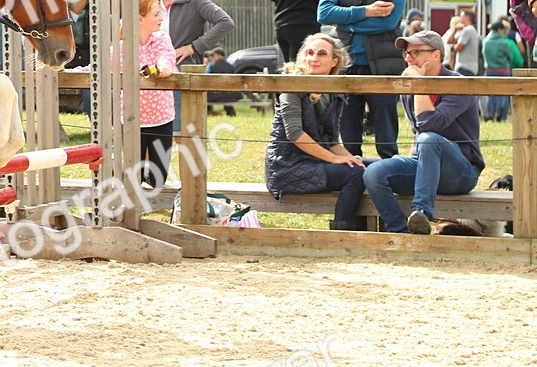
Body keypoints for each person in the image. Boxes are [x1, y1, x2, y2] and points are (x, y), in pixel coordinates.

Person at [363, 30, 483, 234]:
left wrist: (418, 84)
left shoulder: (459, 84)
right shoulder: (409, 90)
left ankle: (421, 212)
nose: (409, 58)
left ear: (436, 55)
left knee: (430, 139)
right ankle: (400, 231)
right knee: (373, 172)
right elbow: (417, 132)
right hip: (425, 164)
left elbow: (429, 126)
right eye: (407, 53)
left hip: (462, 173)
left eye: (416, 52)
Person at [317, 0, 408, 159]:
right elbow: (323, 14)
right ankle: (351, 187)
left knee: (387, 141)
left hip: (382, 65)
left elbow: (388, 23)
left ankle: (390, 186)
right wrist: (365, 11)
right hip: (345, 63)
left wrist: (344, 19)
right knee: (348, 140)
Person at [265, 34, 372, 231]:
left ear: (334, 61)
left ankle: (384, 227)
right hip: (288, 166)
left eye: (322, 54)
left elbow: (332, 140)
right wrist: (333, 159)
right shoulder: (291, 85)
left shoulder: (333, 90)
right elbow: (294, 134)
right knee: (356, 174)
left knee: (375, 167)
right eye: (310, 52)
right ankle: (342, 232)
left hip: (316, 161)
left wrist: (351, 158)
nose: (314, 58)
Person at [146, 0, 234, 132]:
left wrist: (193, 47)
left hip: (181, 74)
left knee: (182, 134)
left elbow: (225, 22)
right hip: (151, 77)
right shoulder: (147, 0)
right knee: (152, 135)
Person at [135, 0, 176, 187]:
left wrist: (164, 67)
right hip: (132, 119)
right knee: (134, 174)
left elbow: (166, 55)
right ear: (140, 18)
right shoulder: (123, 46)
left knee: (158, 179)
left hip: (162, 117)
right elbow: (99, 66)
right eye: (156, 14)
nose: (161, 18)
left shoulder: (161, 38)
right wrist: (69, 71)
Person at [483, 20, 523, 121]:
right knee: (503, 94)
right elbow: (510, 57)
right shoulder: (504, 42)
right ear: (500, 29)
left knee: (491, 94)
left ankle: (490, 115)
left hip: (489, 70)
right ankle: (501, 116)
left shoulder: (485, 41)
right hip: (503, 71)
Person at [445, 9, 480, 76]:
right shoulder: (466, 30)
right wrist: (455, 30)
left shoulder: (468, 30)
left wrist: (453, 47)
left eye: (461, 16)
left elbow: (458, 48)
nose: (460, 18)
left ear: (467, 17)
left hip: (465, 67)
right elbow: (449, 41)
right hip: (466, 67)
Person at [205, 47, 239, 116]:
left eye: (212, 56)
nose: (211, 58)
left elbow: (205, 78)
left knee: (205, 94)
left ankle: (209, 112)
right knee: (226, 97)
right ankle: (231, 114)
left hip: (214, 95)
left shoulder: (211, 66)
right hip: (230, 96)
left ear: (218, 55)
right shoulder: (231, 66)